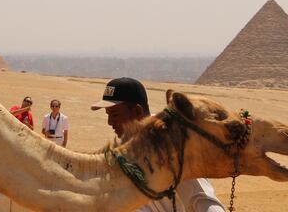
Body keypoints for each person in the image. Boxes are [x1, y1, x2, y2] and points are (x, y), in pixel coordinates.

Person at [91, 77, 226, 212]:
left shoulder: (171, 143)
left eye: (114, 115)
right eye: (108, 115)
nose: (110, 122)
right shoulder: (123, 152)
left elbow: (202, 198)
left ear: (137, 111)